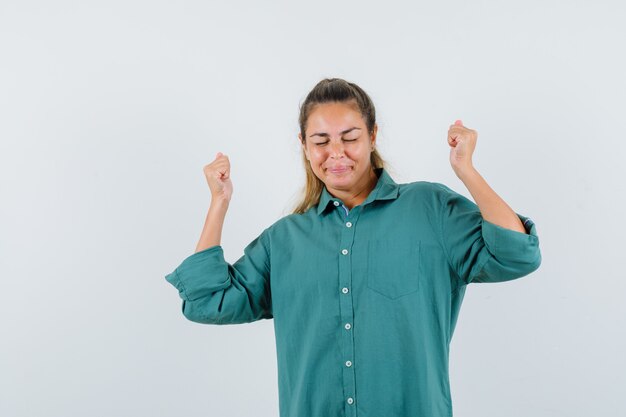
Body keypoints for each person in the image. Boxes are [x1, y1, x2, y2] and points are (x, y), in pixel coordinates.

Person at [164, 78, 542, 417]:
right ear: (304, 145)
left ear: (372, 136)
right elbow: (206, 302)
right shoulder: (284, 241)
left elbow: (517, 254)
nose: (336, 153)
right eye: (321, 141)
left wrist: (466, 171)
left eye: (349, 137)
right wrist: (219, 202)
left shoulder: (429, 210)